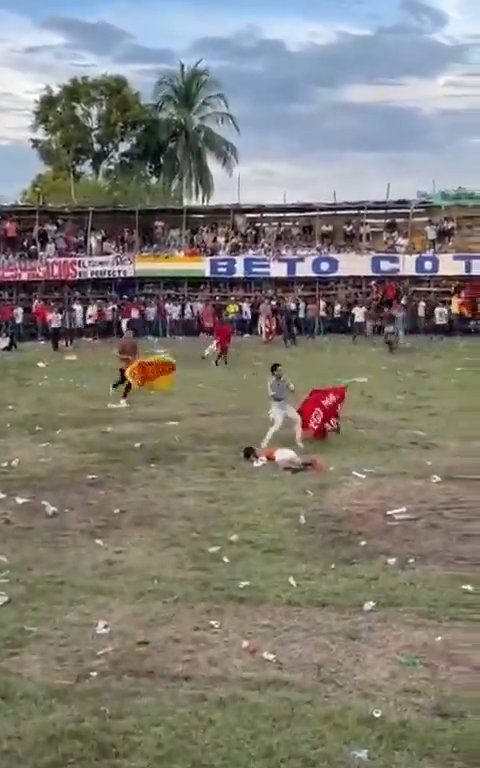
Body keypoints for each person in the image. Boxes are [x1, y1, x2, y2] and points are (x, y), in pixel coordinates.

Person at [261, 363, 303, 449]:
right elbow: (274, 396)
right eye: (279, 370)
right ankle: (264, 443)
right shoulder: (271, 382)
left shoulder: (284, 379)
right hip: (277, 407)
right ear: (274, 372)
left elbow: (291, 389)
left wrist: (291, 387)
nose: (281, 372)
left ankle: (298, 441)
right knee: (277, 425)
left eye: (281, 370)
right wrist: (284, 395)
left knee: (298, 419)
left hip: (285, 405)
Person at [243, 446, 323, 473]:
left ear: (252, 455)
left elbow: (262, 463)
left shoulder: (261, 454)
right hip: (286, 451)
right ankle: (312, 464)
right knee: (299, 463)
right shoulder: (261, 451)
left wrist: (254, 464)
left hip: (280, 455)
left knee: (285, 469)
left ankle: (307, 468)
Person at [110, 330, 138, 407]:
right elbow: (116, 354)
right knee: (123, 381)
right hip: (124, 366)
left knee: (129, 382)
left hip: (131, 365)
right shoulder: (122, 344)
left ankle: (123, 398)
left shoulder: (134, 344)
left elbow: (135, 354)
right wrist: (127, 357)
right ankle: (115, 387)